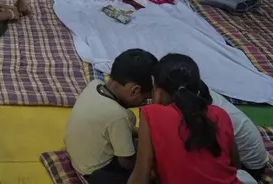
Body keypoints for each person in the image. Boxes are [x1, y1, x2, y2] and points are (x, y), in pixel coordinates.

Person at [129, 54, 257, 184]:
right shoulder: (220, 114)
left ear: (156, 87)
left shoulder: (151, 114)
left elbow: (141, 175)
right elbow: (235, 165)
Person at [64, 49, 158, 184]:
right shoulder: (118, 116)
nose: (144, 102)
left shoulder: (95, 84)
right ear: (134, 91)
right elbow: (126, 163)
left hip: (79, 156)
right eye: (145, 98)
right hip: (93, 171)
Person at [199, 81, 268, 182]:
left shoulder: (216, 116)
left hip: (249, 168)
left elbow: (232, 150)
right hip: (242, 159)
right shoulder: (205, 95)